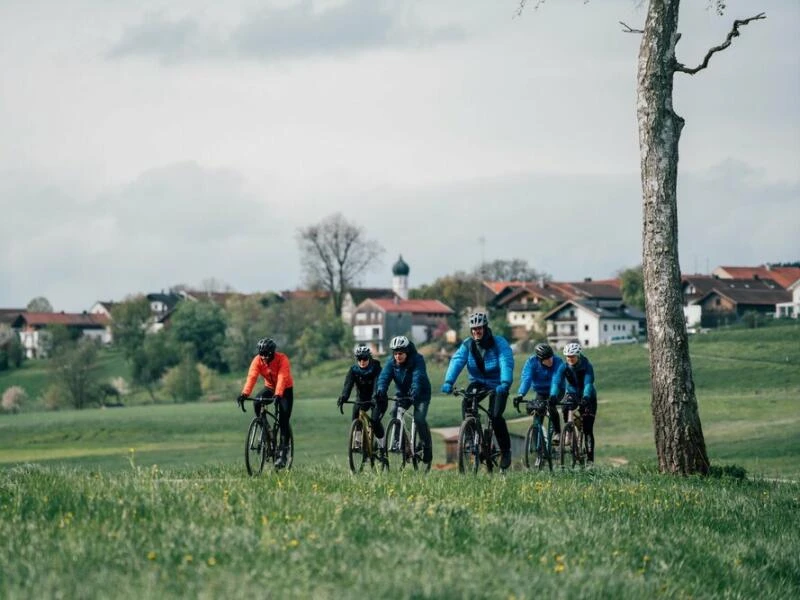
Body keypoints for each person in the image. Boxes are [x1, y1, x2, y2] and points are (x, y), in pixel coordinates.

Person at [441, 311, 515, 470]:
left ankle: (505, 451)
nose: (476, 332)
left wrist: (505, 382)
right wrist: (448, 381)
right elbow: (457, 361)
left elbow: (505, 361)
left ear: (485, 328)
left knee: (495, 416)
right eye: (473, 329)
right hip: (478, 382)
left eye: (479, 328)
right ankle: (470, 438)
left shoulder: (498, 343)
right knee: (466, 403)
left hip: (498, 384)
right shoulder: (468, 345)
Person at [375, 335, 434, 470]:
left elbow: (418, 376)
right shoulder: (391, 363)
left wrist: (415, 390)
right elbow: (384, 377)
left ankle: (426, 446)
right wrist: (381, 390)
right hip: (402, 394)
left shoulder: (418, 360)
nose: (397, 356)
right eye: (395, 353)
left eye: (400, 353)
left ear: (407, 352)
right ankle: (399, 442)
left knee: (419, 419)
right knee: (395, 411)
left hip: (421, 394)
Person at [237, 337, 295, 469]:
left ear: (272, 353)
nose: (263, 358)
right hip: (269, 388)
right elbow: (252, 377)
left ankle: (283, 453)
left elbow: (282, 377)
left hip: (285, 389)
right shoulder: (257, 360)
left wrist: (278, 394)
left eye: (266, 355)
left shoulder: (282, 359)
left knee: (283, 420)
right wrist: (244, 394)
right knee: (257, 402)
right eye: (261, 354)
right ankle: (265, 426)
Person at [549, 341, 597, 465]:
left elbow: (588, 384)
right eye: (568, 356)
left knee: (587, 429)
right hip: (572, 393)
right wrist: (553, 395)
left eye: (572, 356)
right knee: (565, 407)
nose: (570, 358)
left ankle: (590, 460)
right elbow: (556, 381)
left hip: (588, 395)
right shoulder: (564, 367)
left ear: (578, 355)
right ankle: (569, 430)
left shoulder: (587, 366)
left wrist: (586, 397)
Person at [337, 345, 386, 458]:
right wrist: (344, 396)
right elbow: (348, 384)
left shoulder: (376, 367)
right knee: (355, 416)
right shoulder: (353, 370)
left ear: (369, 358)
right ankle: (358, 441)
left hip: (377, 397)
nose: (362, 361)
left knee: (374, 422)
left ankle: (381, 446)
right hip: (362, 398)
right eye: (359, 359)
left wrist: (376, 396)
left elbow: (378, 383)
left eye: (364, 358)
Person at [512, 342, 565, 442]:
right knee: (537, 412)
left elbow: (556, 380)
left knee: (551, 406)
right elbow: (526, 379)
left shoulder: (558, 362)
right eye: (547, 359)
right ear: (540, 359)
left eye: (551, 357)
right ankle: (537, 444)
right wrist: (521, 394)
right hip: (541, 391)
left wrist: (553, 395)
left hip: (557, 390)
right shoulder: (531, 362)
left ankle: (557, 432)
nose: (550, 360)